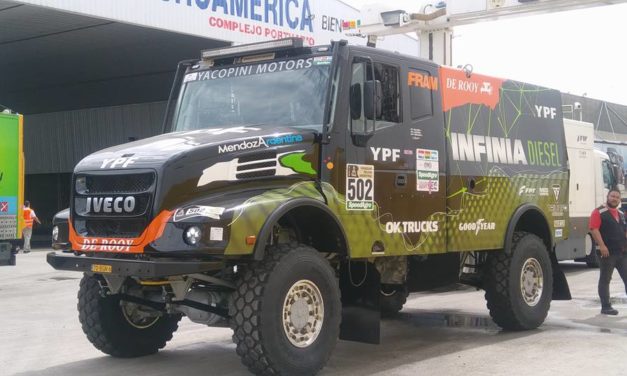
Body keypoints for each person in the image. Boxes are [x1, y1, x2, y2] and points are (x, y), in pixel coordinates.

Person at [589, 188, 627, 315]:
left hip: (621, 253)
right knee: (605, 279)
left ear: (619, 199)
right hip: (606, 253)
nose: (614, 198)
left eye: (617, 197)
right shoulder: (599, 212)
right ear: (607, 196)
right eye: (612, 196)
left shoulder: (621, 214)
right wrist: (602, 245)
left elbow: (624, 231)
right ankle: (606, 307)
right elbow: (594, 229)